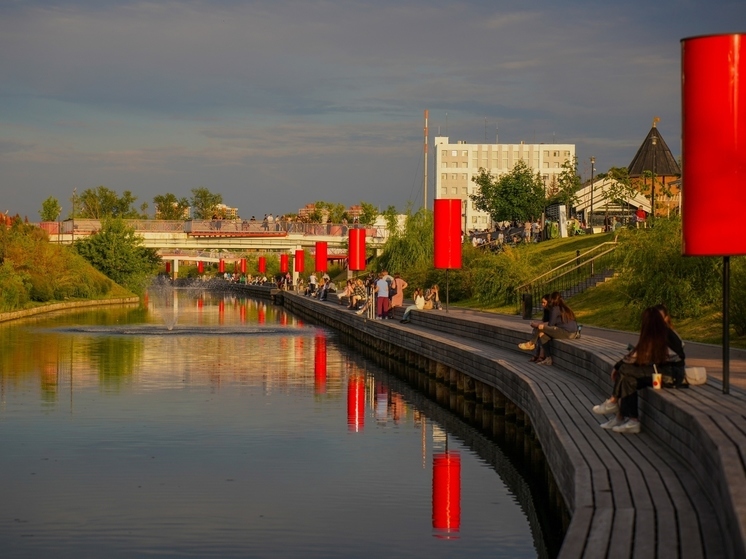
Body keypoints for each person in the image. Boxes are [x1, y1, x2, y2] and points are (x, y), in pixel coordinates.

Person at [592, 305, 686, 434]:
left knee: (626, 371)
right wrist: (618, 366)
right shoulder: (657, 331)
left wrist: (619, 367)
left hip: (671, 376)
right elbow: (639, 354)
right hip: (661, 372)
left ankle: (614, 402)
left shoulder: (663, 333)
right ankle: (630, 420)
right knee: (628, 379)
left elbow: (640, 355)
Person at [519, 291, 578, 365]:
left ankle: (531, 343)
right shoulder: (564, 308)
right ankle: (548, 359)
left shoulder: (555, 309)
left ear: (552, 300)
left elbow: (550, 324)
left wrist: (537, 325)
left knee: (540, 327)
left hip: (566, 332)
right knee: (542, 335)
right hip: (573, 333)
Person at [518, 294, 551, 361]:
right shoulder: (546, 310)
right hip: (547, 327)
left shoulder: (553, 310)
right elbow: (544, 321)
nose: (542, 304)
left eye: (544, 302)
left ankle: (539, 354)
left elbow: (551, 322)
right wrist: (536, 323)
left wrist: (538, 325)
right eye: (542, 302)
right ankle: (536, 354)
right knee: (535, 330)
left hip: (554, 329)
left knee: (541, 332)